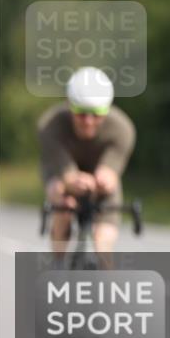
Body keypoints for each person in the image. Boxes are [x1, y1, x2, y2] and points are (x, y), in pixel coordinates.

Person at [38, 66, 136, 267]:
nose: (88, 121)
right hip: (62, 175)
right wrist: (71, 182)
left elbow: (108, 176)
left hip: (98, 176)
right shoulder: (49, 125)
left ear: (107, 109)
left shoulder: (122, 129)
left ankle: (107, 285)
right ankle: (57, 263)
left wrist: (102, 180)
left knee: (102, 242)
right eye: (81, 113)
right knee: (60, 197)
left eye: (97, 113)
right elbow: (66, 175)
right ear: (69, 105)